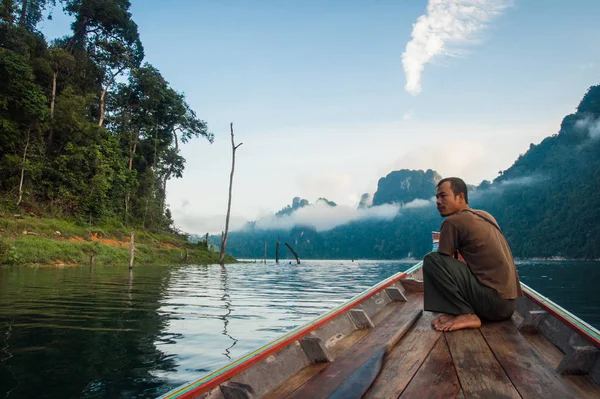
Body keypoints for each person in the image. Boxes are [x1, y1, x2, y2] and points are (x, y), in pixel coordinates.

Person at [424, 177, 522, 332]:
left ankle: (466, 313)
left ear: (461, 197)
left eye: (443, 196)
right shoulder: (485, 215)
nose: (438, 201)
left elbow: (442, 262)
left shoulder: (453, 222)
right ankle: (463, 310)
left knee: (432, 260)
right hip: (509, 306)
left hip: (493, 305)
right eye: (437, 197)